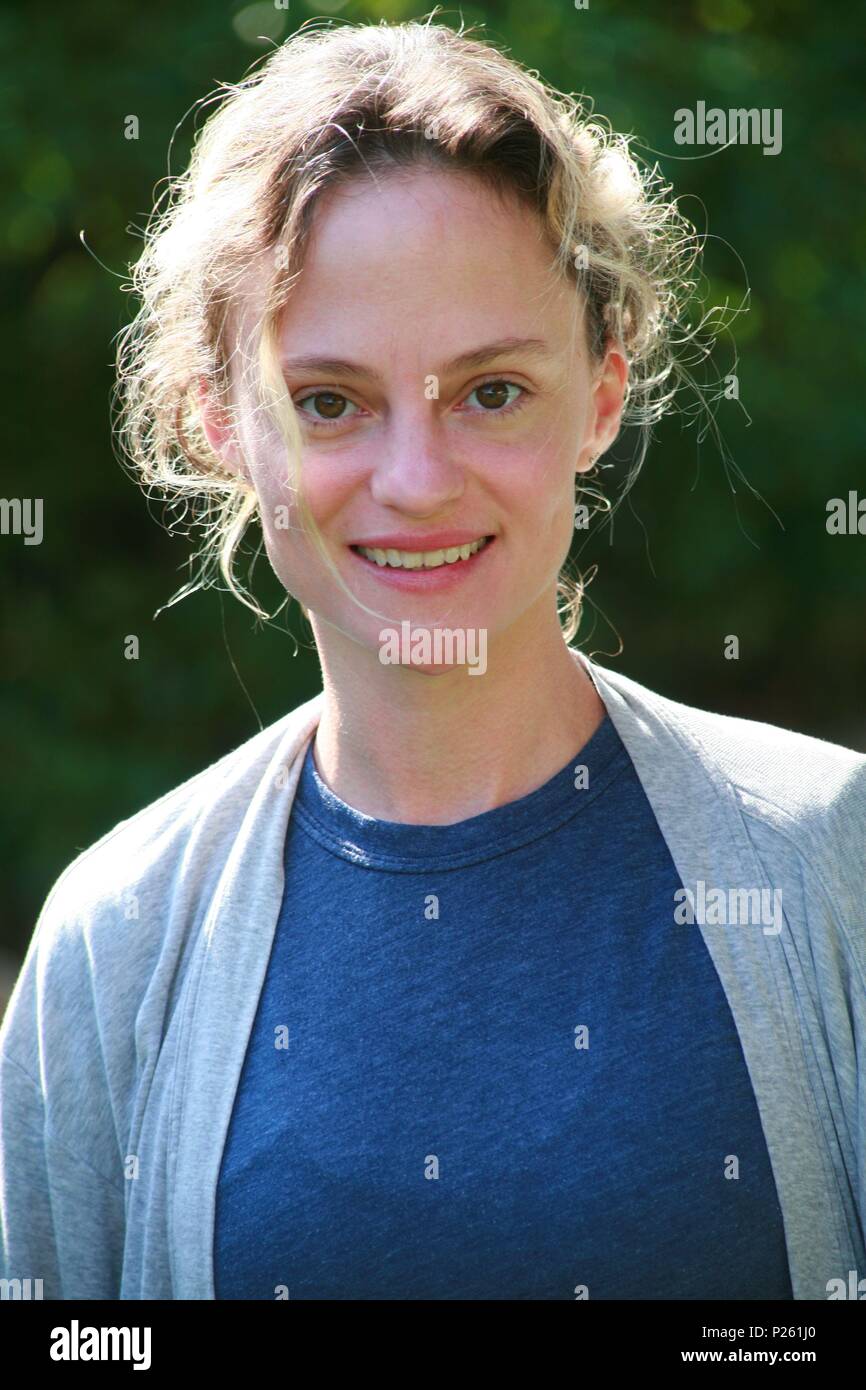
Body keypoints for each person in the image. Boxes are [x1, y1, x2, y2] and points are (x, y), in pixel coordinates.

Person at [1, 16, 864, 1302]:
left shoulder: (833, 861)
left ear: (603, 395)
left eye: (491, 391)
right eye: (329, 401)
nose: (415, 480)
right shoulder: (114, 937)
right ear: (216, 419)